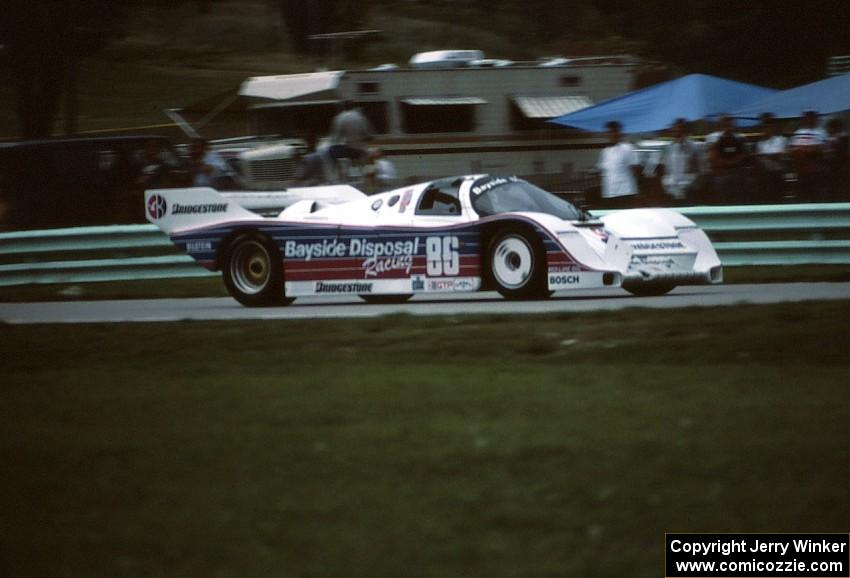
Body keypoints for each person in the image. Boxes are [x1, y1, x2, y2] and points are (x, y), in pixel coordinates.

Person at [595, 120, 640, 208]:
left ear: (620, 132)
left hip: (626, 192)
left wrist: (638, 191)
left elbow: (636, 169)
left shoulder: (628, 148)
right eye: (609, 132)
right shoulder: (605, 151)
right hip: (609, 192)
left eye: (614, 132)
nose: (612, 135)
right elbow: (601, 170)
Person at [658, 118, 702, 204]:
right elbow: (664, 168)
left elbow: (699, 169)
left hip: (689, 189)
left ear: (685, 130)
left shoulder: (694, 147)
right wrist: (665, 182)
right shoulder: (668, 148)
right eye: (676, 128)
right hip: (670, 189)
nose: (678, 130)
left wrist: (693, 184)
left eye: (681, 128)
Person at [328, 100, 374, 179]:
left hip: (348, 149)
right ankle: (368, 177)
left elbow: (336, 137)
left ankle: (338, 174)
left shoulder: (340, 117)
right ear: (354, 107)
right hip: (361, 150)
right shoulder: (361, 117)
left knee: (330, 150)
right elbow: (369, 135)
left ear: (343, 107)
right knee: (367, 158)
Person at [708, 115, 749, 204]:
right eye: (725, 124)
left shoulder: (740, 138)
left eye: (729, 124)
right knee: (722, 199)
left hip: (736, 172)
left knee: (738, 199)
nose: (727, 126)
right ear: (720, 124)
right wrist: (723, 137)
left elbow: (743, 154)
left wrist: (732, 162)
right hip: (721, 173)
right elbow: (712, 156)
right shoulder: (713, 138)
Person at [789, 110, 827, 201]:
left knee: (816, 193)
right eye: (807, 117)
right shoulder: (798, 132)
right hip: (801, 168)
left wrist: (808, 150)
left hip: (816, 168)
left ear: (815, 118)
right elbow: (793, 148)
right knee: (802, 193)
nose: (809, 119)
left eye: (811, 117)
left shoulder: (821, 132)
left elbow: (822, 148)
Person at [753, 113, 788, 203]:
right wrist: (767, 157)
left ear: (773, 127)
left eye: (768, 126)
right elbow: (758, 157)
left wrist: (767, 156)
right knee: (766, 197)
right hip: (764, 174)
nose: (766, 129)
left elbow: (780, 155)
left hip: (777, 173)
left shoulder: (781, 140)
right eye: (764, 127)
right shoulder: (759, 143)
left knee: (779, 198)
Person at [824, 117, 849, 201]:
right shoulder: (828, 139)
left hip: (841, 167)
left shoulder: (843, 138)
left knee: (841, 188)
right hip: (830, 167)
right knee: (832, 188)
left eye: (830, 128)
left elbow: (842, 152)